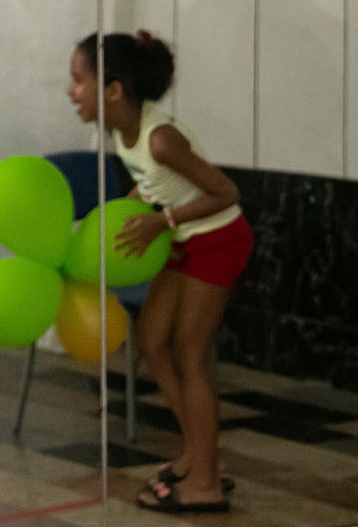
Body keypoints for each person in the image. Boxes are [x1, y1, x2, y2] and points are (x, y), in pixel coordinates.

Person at [67, 32, 250, 515]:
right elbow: (152, 184)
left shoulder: (162, 138)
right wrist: (123, 216)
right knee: (151, 341)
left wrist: (161, 221)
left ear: (114, 90)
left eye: (79, 80)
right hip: (180, 238)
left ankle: (207, 483)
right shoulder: (121, 132)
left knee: (191, 353)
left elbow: (226, 193)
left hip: (217, 239)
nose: (72, 92)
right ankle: (197, 451)